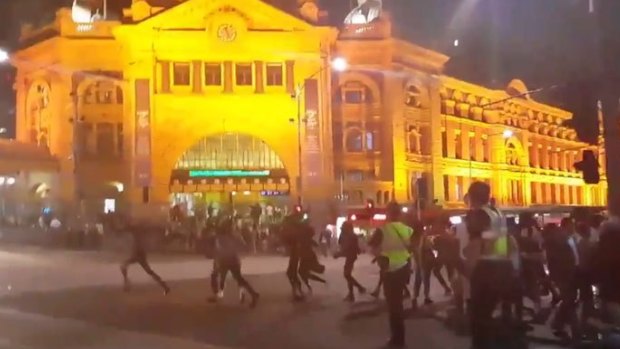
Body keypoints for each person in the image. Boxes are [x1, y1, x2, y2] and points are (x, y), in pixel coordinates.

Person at [465, 182, 521, 349]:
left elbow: (476, 243)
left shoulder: (478, 215)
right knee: (493, 317)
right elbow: (509, 240)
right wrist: (514, 266)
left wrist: (469, 270)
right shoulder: (497, 213)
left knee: (479, 319)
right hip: (503, 267)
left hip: (486, 269)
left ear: (471, 196)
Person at [368, 201, 414, 348]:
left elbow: (372, 246)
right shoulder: (408, 230)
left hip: (389, 270)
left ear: (388, 213)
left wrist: (379, 256)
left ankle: (397, 338)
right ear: (399, 214)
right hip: (404, 269)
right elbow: (414, 247)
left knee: (393, 306)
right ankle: (399, 337)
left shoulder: (383, 230)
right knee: (398, 303)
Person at [208, 216, 259, 308]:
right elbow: (243, 246)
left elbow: (219, 248)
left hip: (227, 260)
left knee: (217, 276)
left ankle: (217, 294)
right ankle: (253, 294)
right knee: (237, 278)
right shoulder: (233, 235)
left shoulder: (223, 236)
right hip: (232, 259)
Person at [120, 221, 170, 295]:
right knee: (149, 271)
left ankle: (126, 283)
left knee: (123, 266)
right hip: (139, 254)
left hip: (138, 254)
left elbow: (125, 229)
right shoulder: (140, 231)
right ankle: (164, 286)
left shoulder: (137, 231)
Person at [337, 221, 366, 302]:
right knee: (347, 275)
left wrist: (339, 254)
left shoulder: (350, 236)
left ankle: (356, 291)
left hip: (351, 256)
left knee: (347, 275)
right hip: (350, 256)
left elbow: (347, 247)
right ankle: (355, 292)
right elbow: (343, 245)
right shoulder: (347, 235)